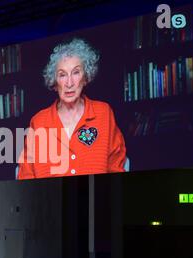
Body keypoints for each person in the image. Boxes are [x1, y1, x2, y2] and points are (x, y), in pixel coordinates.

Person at [17, 38, 127, 179]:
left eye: (76, 72)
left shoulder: (103, 113)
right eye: (62, 75)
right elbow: (26, 176)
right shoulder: (38, 122)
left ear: (85, 77)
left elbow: (116, 166)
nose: (69, 83)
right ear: (55, 82)